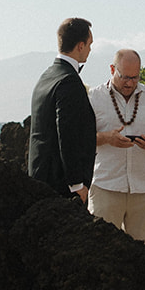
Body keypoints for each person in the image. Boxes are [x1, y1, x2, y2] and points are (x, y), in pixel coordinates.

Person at [89, 50, 145, 248]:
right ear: (112, 70)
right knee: (101, 254)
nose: (129, 83)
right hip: (105, 187)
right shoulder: (94, 97)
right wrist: (106, 138)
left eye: (135, 77)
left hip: (143, 190)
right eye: (124, 77)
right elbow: (79, 139)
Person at [27, 17, 97, 202]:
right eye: (89, 44)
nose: (90, 49)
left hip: (39, 177)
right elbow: (67, 134)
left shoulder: (47, 76)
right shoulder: (68, 81)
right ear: (80, 46)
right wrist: (76, 184)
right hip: (61, 185)